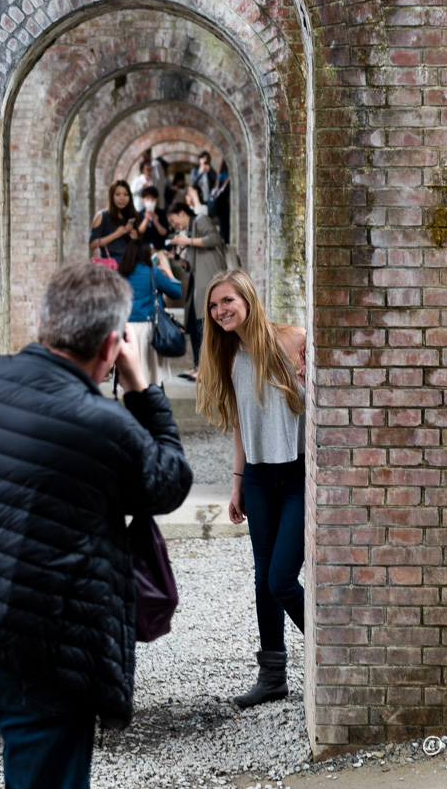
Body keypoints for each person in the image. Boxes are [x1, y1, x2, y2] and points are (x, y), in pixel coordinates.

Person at [0, 262, 192, 789]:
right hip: (44, 657)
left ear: (43, 322)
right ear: (111, 344)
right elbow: (170, 482)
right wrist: (142, 388)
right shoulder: (108, 428)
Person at [196, 269, 305, 709]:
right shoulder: (227, 356)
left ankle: (330, 653)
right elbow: (241, 424)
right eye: (214, 306)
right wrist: (237, 484)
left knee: (282, 578)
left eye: (227, 301)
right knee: (263, 579)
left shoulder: (293, 340)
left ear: (247, 299)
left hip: (298, 476)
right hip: (259, 478)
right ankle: (273, 675)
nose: (221, 311)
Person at [166, 199, 226, 379]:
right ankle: (197, 366)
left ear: (183, 213)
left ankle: (205, 370)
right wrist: (177, 258)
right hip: (197, 283)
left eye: (174, 220)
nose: (174, 225)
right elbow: (191, 266)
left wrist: (188, 241)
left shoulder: (200, 220)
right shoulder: (190, 231)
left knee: (204, 326)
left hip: (210, 280)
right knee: (193, 324)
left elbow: (215, 238)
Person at [118, 237, 183, 386]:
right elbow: (176, 293)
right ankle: (156, 405)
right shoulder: (153, 272)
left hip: (126, 329)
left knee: (131, 377)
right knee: (152, 375)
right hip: (149, 329)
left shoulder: (121, 273)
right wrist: (168, 272)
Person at [89, 179, 139, 263]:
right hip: (111, 264)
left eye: (125, 194)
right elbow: (92, 244)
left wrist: (135, 238)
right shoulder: (102, 215)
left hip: (130, 263)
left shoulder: (132, 215)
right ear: (111, 196)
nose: (122, 198)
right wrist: (117, 234)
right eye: (118, 194)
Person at [136, 185, 170, 249]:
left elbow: (164, 232)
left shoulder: (162, 213)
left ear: (156, 199)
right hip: (143, 249)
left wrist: (156, 222)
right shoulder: (139, 214)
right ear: (143, 199)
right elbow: (139, 231)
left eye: (153, 198)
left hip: (159, 248)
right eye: (148, 198)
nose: (150, 201)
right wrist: (146, 219)